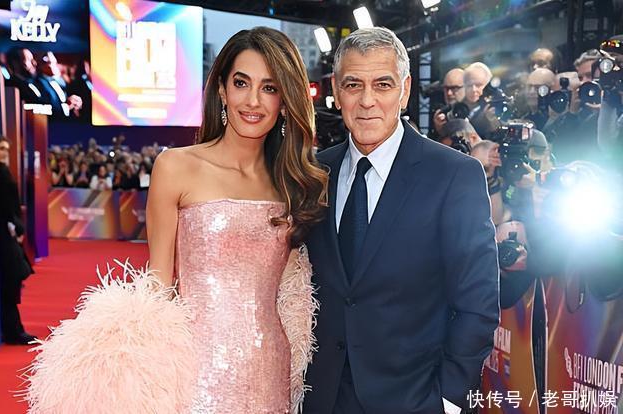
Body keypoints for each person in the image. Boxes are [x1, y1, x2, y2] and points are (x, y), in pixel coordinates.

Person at [25, 27, 327, 414]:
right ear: (222, 90)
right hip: (192, 374)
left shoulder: (293, 183)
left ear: (285, 101)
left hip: (272, 372)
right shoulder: (176, 167)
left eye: (269, 88)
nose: (253, 100)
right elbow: (159, 284)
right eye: (241, 83)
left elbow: (294, 293)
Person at [303, 27, 499, 414]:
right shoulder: (314, 174)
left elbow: (478, 303)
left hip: (415, 400)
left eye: (383, 84)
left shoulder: (453, 175)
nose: (367, 100)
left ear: (405, 90)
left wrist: (448, 400)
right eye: (353, 85)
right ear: (337, 92)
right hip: (323, 399)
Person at [0, 130, 36, 345]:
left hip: (7, 234)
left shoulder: (2, 172)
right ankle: (12, 330)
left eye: (7, 150)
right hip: (2, 235)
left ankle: (13, 329)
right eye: (1, 148)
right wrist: (16, 228)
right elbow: (6, 207)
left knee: (11, 281)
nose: (4, 153)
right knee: (11, 280)